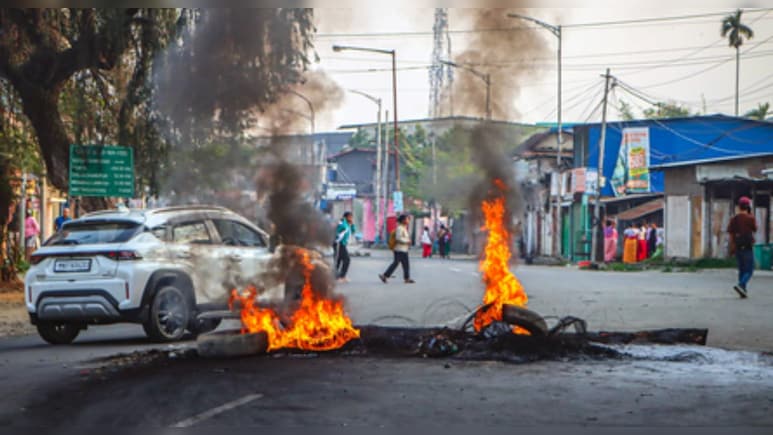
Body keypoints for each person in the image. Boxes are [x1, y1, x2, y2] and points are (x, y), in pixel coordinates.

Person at [727, 196, 757, 298]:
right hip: (748, 247)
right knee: (749, 270)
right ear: (748, 206)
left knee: (742, 269)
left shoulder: (734, 219)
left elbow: (731, 234)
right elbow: (755, 228)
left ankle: (742, 290)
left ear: (739, 207)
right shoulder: (750, 218)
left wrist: (731, 247)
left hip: (738, 247)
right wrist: (750, 214)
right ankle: (741, 285)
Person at [379, 214, 415, 284]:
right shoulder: (400, 228)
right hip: (399, 249)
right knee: (398, 263)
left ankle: (406, 278)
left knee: (404, 264)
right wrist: (407, 241)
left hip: (403, 249)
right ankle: (385, 275)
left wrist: (407, 241)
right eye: (407, 219)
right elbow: (398, 238)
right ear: (403, 220)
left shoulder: (404, 228)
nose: (408, 220)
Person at [334, 211, 355, 283]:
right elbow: (337, 230)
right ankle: (341, 276)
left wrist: (352, 225)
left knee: (339, 260)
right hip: (339, 243)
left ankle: (337, 277)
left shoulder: (348, 224)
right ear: (346, 217)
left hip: (343, 244)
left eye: (352, 217)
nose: (351, 218)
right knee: (346, 259)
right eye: (350, 217)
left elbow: (353, 231)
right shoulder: (342, 223)